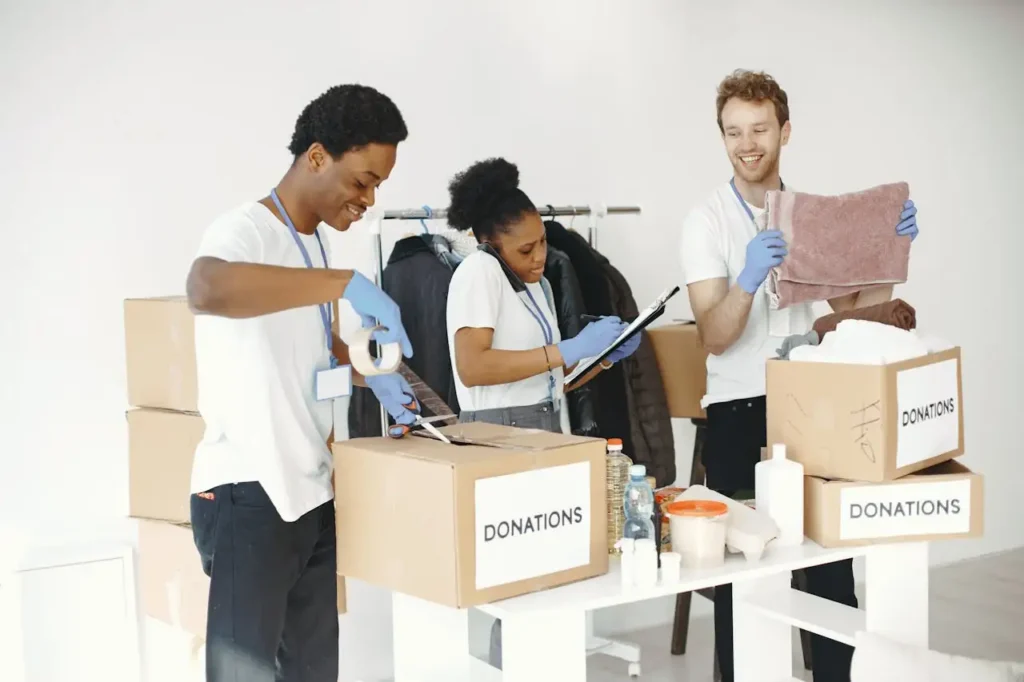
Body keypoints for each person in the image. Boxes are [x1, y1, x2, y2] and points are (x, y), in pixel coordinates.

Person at [680, 69, 920, 682]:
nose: (747, 144)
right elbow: (713, 336)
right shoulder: (706, 221)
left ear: (785, 131)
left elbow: (855, 315)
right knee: (743, 573)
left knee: (831, 565)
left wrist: (889, 253)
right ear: (722, 136)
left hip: (808, 406)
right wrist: (746, 278)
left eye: (759, 129)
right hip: (737, 409)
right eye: (734, 132)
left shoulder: (808, 217)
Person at [184, 84, 422, 682]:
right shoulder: (245, 229)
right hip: (250, 492)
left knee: (315, 673)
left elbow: (312, 346)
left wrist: (373, 375)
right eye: (362, 181)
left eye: (378, 186)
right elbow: (205, 289)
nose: (369, 199)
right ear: (317, 156)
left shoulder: (314, 241)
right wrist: (344, 284)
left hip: (311, 493)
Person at [444, 157, 643, 667]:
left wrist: (602, 356)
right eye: (525, 249)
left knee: (550, 580)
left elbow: (550, 378)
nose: (539, 257)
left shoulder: (538, 285)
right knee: (519, 587)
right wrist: (566, 349)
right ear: (489, 242)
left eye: (543, 243)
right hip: (500, 439)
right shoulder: (478, 273)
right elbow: (473, 366)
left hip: (547, 429)